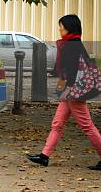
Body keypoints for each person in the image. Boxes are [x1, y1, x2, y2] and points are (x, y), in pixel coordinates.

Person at [26, 14, 101, 170]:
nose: (60, 29)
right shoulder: (74, 44)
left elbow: (71, 71)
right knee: (57, 124)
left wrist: (64, 88)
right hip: (71, 92)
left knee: (87, 126)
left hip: (73, 92)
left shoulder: (70, 46)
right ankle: (44, 156)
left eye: (62, 26)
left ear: (69, 28)